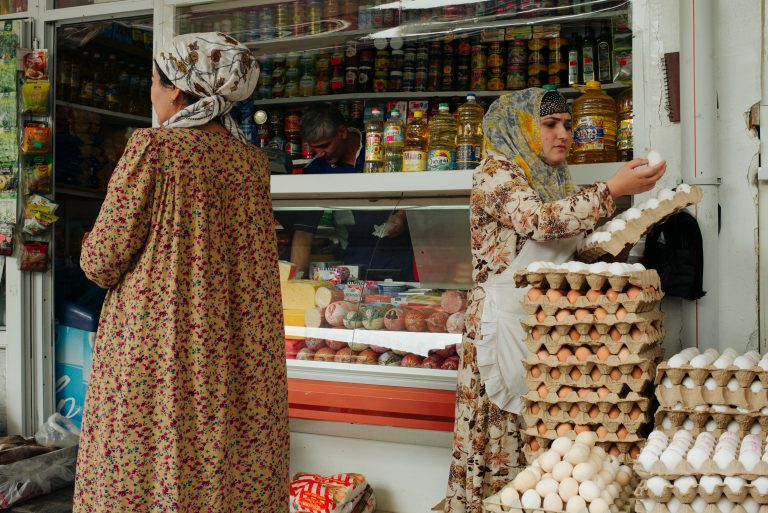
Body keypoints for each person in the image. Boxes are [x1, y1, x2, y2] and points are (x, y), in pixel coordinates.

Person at [75, 33, 288, 513]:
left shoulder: (154, 150)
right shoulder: (251, 163)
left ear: (176, 89)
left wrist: (89, 243)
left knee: (148, 466)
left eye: (154, 81)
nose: (151, 92)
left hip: (159, 347)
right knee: (225, 466)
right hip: (237, 348)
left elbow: (101, 260)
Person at [443, 88, 666, 513]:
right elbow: (539, 223)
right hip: (504, 322)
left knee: (550, 451)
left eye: (566, 124)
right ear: (522, 127)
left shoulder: (551, 177)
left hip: (547, 326)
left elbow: (567, 251)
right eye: (550, 125)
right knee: (504, 442)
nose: (563, 134)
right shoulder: (497, 173)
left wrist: (619, 242)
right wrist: (612, 189)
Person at [289, 104, 414, 280]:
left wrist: (402, 215)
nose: (319, 153)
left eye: (324, 145)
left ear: (342, 132)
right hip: (356, 259)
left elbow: (416, 190)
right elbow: (304, 233)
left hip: (404, 255)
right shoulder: (316, 169)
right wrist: (294, 283)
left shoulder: (382, 144)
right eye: (314, 147)